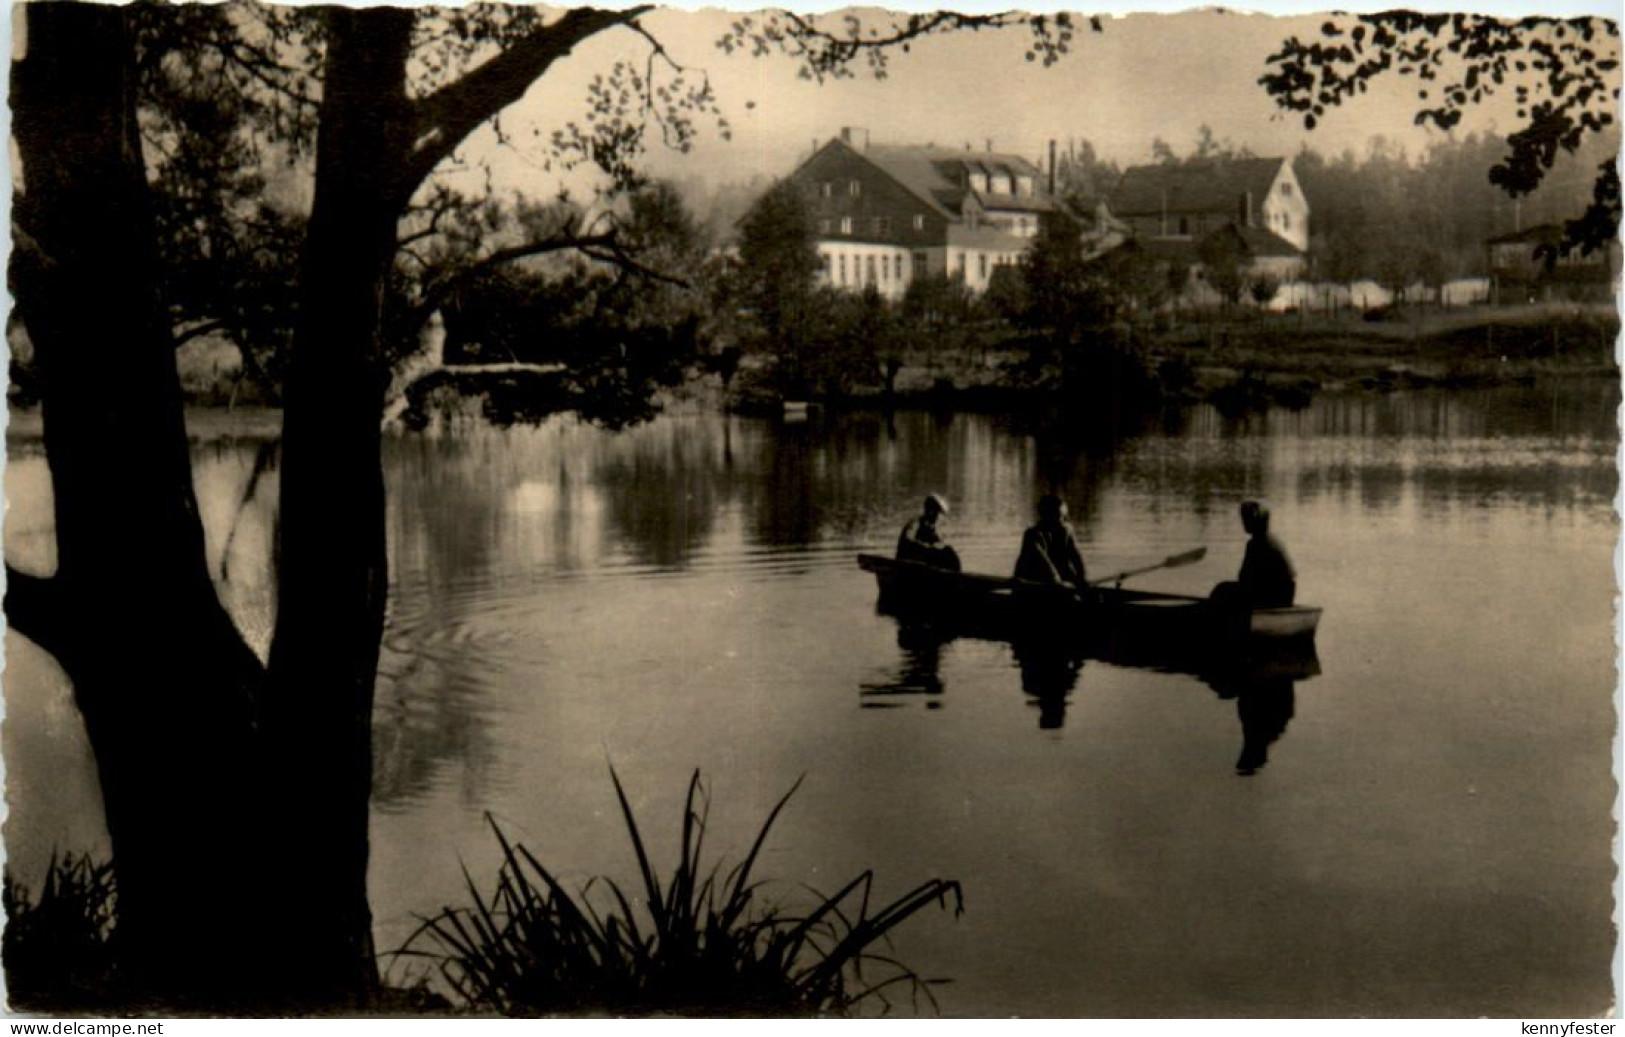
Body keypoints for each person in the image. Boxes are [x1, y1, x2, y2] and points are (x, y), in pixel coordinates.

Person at [1013, 494, 1087, 589]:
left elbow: (1076, 557)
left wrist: (1082, 579)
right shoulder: (1033, 535)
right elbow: (1045, 564)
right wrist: (1058, 583)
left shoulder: (1066, 530)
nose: (1064, 521)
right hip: (1034, 584)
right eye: (1060, 516)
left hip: (1057, 585)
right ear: (1047, 516)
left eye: (1065, 517)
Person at [1235, 500, 1296, 607]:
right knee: (1225, 589)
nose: (1243, 522)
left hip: (1275, 597)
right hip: (1284, 595)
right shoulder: (1270, 539)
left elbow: (1245, 577)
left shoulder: (1258, 544)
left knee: (1224, 590)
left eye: (1246, 518)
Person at [896, 493, 961, 571]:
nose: (938, 517)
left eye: (939, 514)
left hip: (920, 564)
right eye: (936, 513)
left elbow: (938, 545)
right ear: (930, 511)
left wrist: (942, 549)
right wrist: (927, 548)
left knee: (948, 552)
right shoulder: (915, 524)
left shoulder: (930, 529)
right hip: (906, 563)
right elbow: (908, 541)